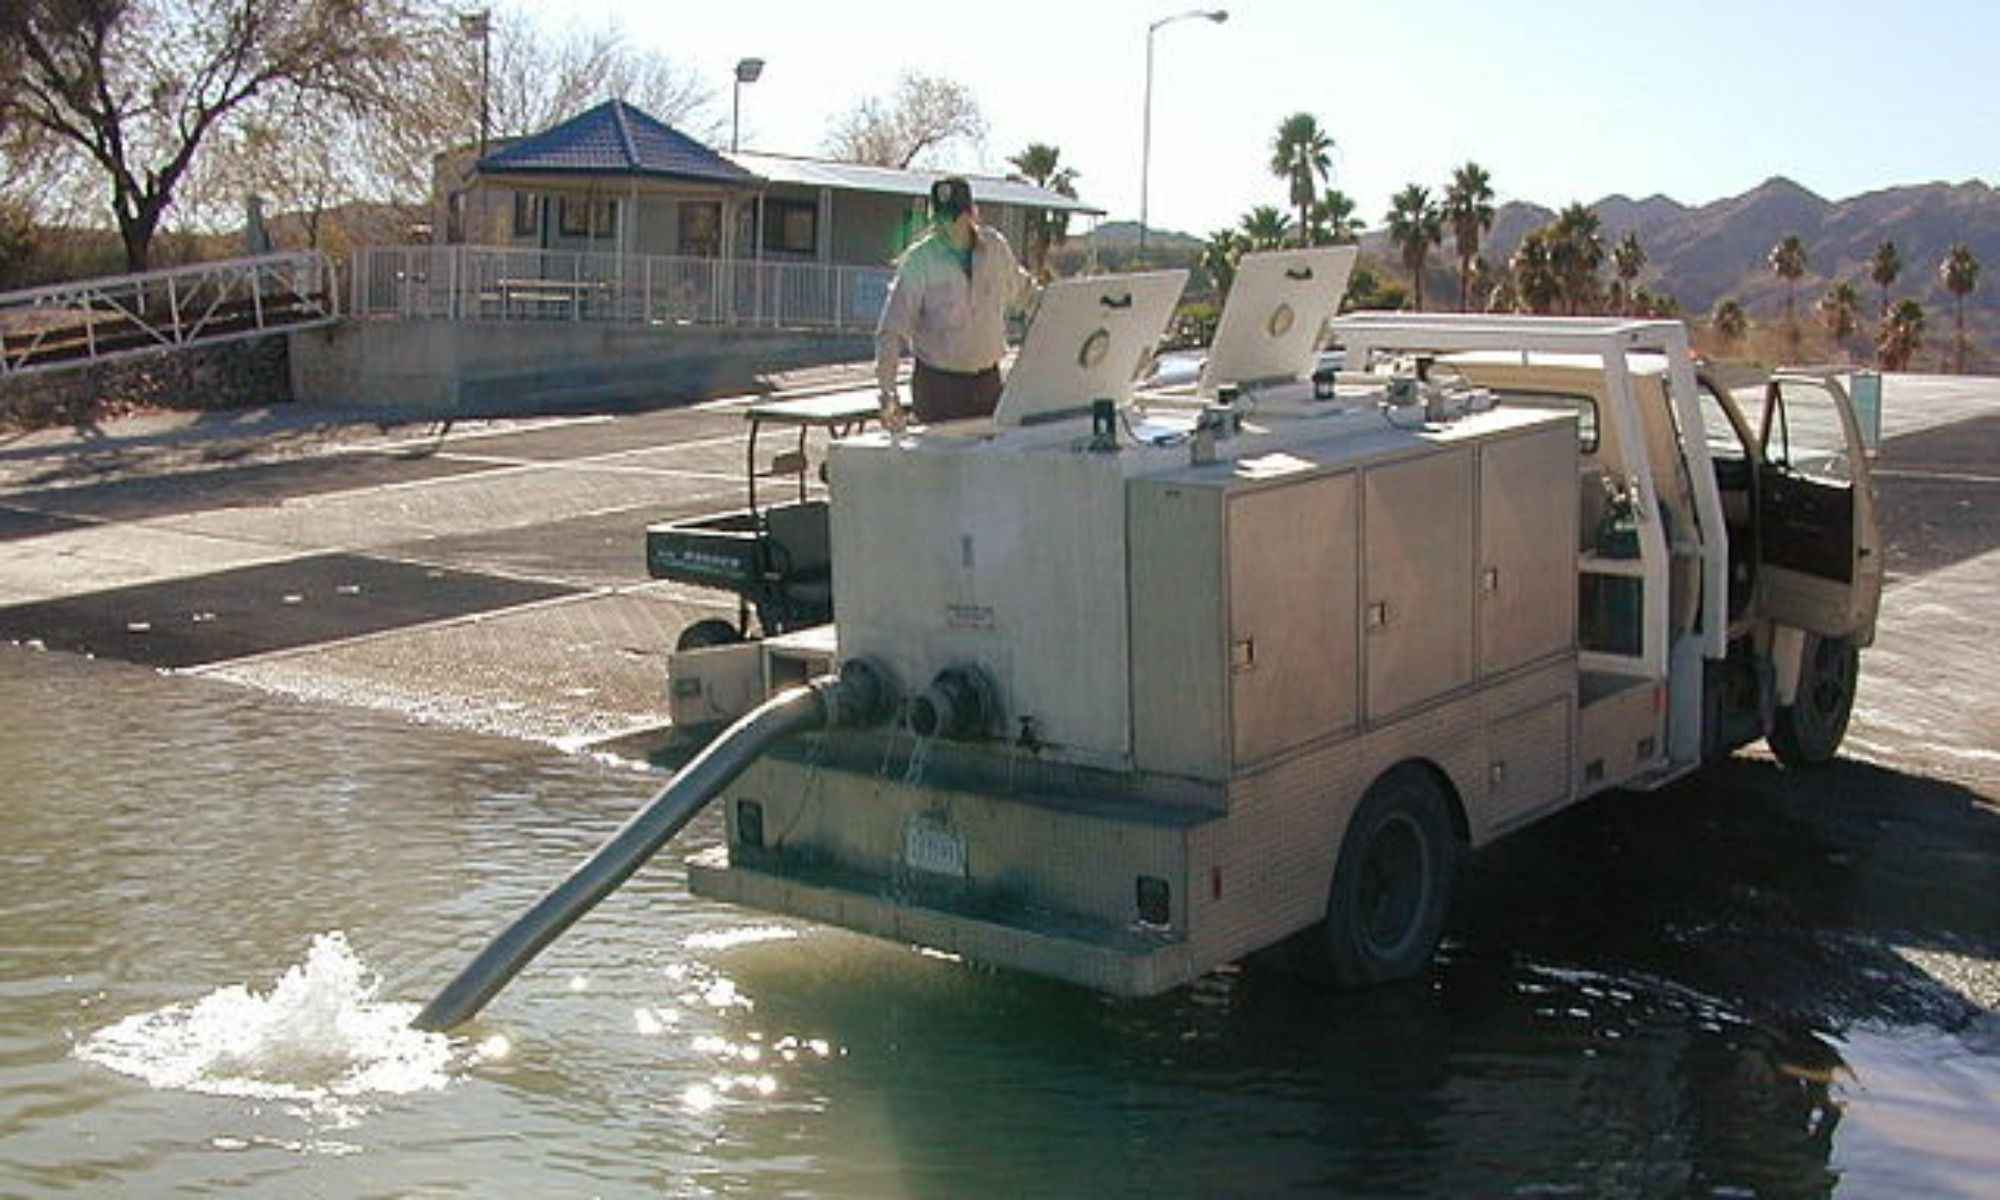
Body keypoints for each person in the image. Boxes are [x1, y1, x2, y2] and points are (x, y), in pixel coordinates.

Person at [875, 176, 1036, 432]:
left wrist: (1059, 307)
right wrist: (887, 392)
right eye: (939, 218)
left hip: (987, 386)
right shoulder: (920, 260)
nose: (945, 226)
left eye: (953, 218)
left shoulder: (995, 248)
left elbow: (1025, 293)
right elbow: (891, 329)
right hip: (938, 390)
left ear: (971, 214)